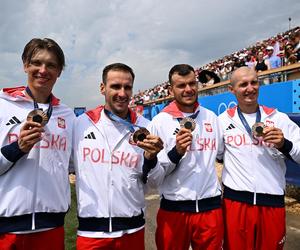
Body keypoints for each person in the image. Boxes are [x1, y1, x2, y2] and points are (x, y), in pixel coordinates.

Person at [73, 63, 163, 250]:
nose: (122, 93)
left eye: (127, 87)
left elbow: (155, 184)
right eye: (115, 86)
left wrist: (151, 159)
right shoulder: (81, 124)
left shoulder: (145, 126)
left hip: (132, 230)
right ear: (102, 88)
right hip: (91, 233)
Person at [0, 38, 75, 249]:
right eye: (36, 63)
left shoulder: (68, 115)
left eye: (51, 65)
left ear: (59, 71)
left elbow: (72, 165)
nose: (43, 70)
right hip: (7, 230)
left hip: (51, 228)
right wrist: (18, 148)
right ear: (25, 65)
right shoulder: (2, 105)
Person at [218, 67, 300, 250]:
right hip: (235, 204)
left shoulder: (278, 118)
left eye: (254, 82)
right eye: (243, 84)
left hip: (272, 204)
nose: (250, 88)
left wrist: (285, 144)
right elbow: (216, 155)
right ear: (232, 90)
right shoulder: (222, 121)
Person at [147, 64, 223, 250]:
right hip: (175, 210)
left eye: (191, 84)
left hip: (210, 209)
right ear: (171, 89)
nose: (188, 89)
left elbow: (222, 155)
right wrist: (176, 152)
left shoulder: (211, 117)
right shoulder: (159, 122)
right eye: (181, 86)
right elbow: (153, 177)